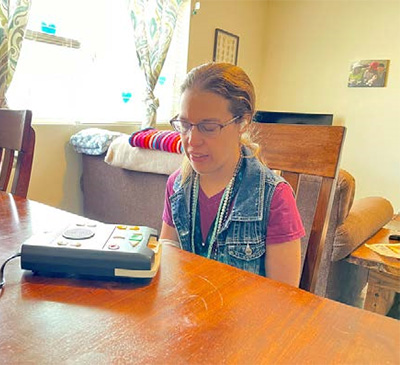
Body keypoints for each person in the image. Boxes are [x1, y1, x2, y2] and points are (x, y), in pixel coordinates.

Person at [160, 62, 305, 287]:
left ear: (243, 122)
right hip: (187, 315)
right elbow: (167, 263)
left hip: (246, 320)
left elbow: (282, 303)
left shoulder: (274, 197)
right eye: (185, 124)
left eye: (208, 127)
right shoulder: (177, 185)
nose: (192, 140)